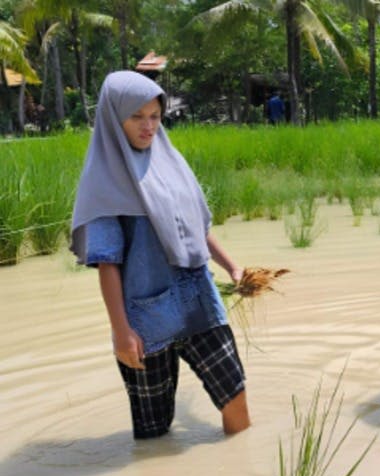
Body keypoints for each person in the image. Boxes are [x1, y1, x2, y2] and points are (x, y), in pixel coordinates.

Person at [70, 70, 251, 440]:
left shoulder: (170, 163)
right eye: (136, 117)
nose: (148, 126)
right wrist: (122, 332)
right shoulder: (105, 182)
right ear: (112, 117)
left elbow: (195, 232)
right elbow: (108, 264)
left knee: (236, 401)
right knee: (154, 435)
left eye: (154, 116)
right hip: (145, 322)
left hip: (199, 303)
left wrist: (232, 267)